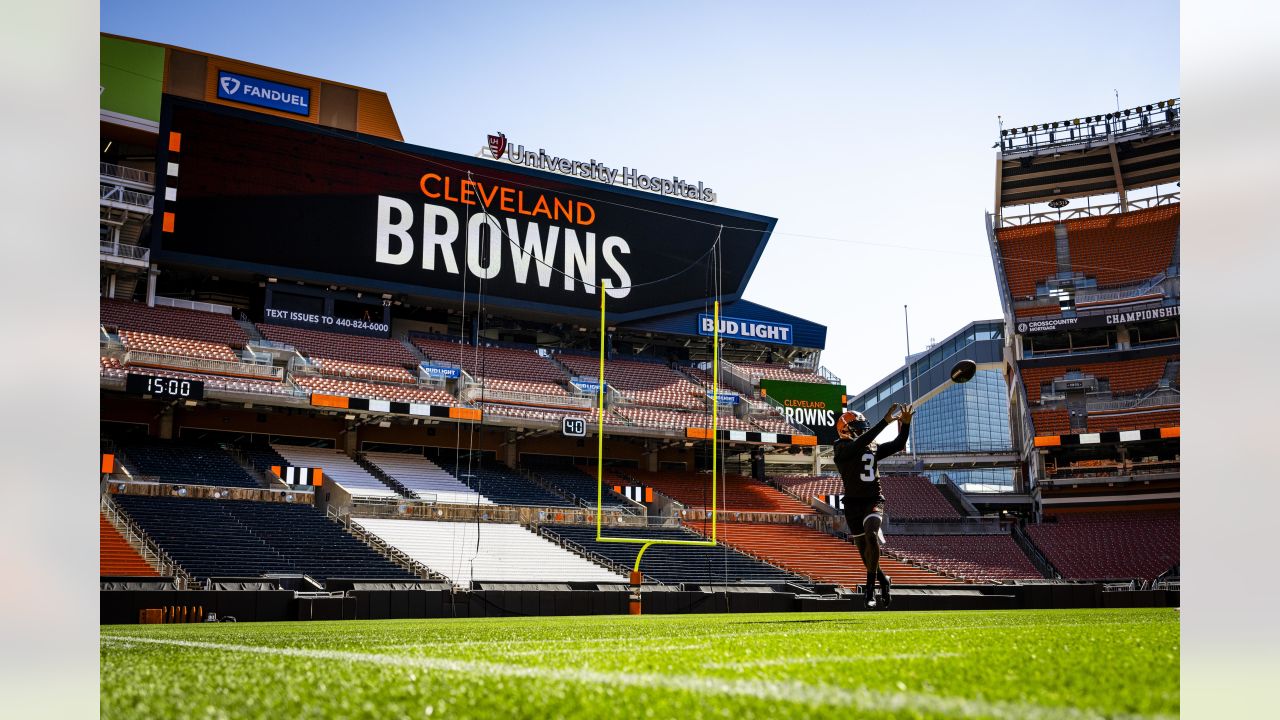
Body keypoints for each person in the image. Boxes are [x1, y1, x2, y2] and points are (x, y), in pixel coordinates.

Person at [833, 403, 913, 609]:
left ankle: (870, 589)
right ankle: (884, 580)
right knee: (864, 553)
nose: (862, 429)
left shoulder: (871, 445)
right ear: (845, 430)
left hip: (873, 499)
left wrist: (905, 425)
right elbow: (858, 444)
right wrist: (884, 422)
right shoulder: (841, 447)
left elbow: (897, 445)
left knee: (871, 536)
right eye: (857, 426)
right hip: (852, 504)